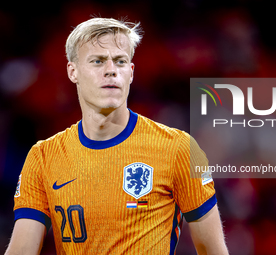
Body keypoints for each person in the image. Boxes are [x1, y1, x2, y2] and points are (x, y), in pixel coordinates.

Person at [5, 18, 228, 255]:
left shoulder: (179, 148)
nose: (111, 70)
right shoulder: (43, 157)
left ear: (130, 73)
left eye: (120, 61)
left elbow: (212, 250)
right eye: (98, 61)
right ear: (73, 72)